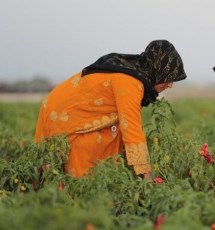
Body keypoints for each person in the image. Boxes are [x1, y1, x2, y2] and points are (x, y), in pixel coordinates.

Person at [35, 40, 187, 179]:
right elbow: (132, 128)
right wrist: (146, 176)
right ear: (156, 69)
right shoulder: (131, 83)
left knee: (112, 139)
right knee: (81, 170)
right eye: (168, 77)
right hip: (63, 114)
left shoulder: (134, 75)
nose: (170, 85)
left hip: (66, 109)